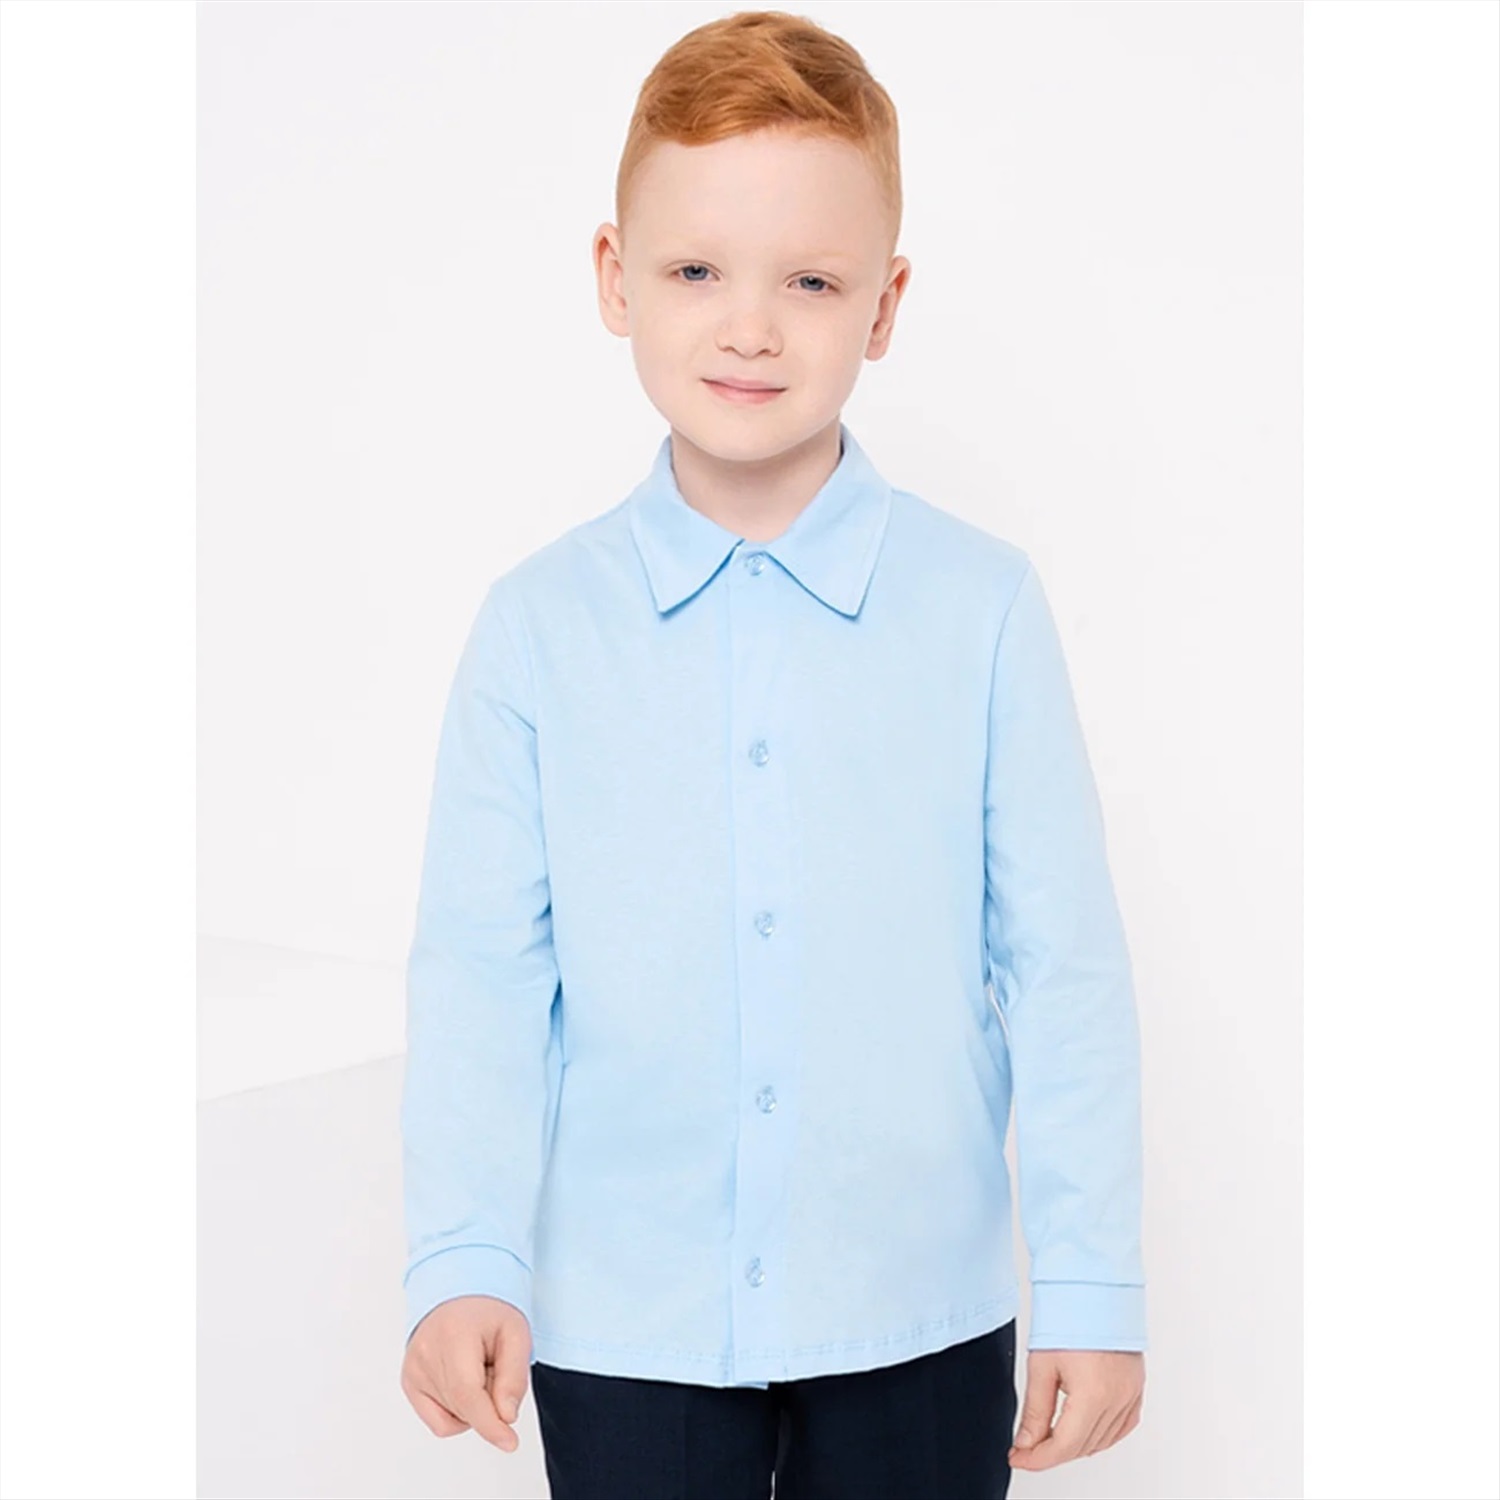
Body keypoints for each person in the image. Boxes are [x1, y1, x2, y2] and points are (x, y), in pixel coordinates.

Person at [397, 10, 1147, 1497]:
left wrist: (1090, 1281)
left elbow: (1061, 964)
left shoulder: (982, 609)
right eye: (696, 271)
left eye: (809, 280)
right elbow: (483, 971)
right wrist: (464, 1253)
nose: (751, 327)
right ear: (614, 278)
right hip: (628, 1320)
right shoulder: (537, 629)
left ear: (885, 303)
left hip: (918, 1315)